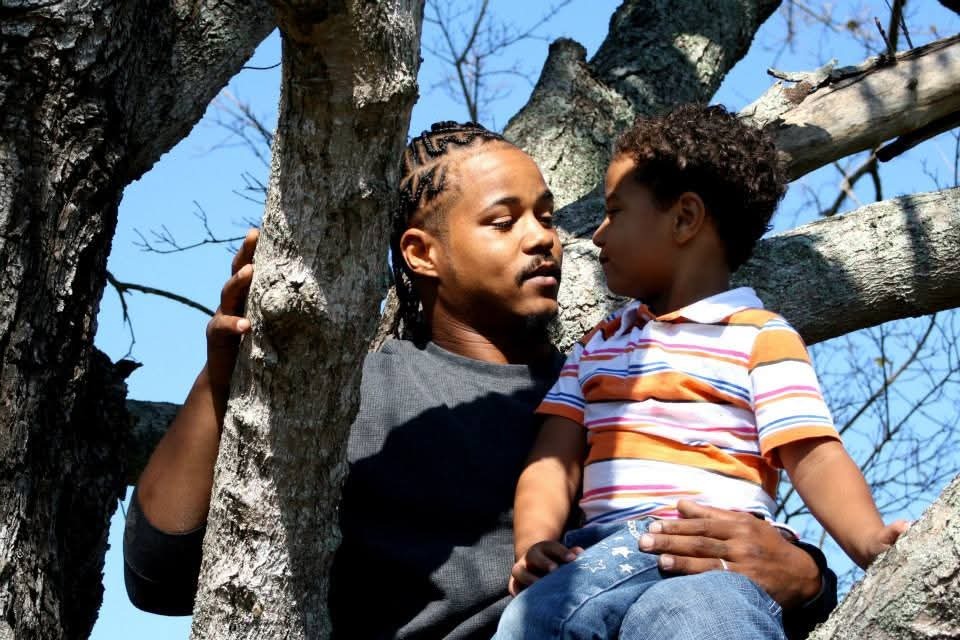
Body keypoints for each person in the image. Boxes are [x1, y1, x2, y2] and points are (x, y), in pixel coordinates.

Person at [124, 121, 838, 639]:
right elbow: (160, 576)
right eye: (504, 221)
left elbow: (726, 540)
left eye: (547, 217)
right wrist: (225, 381)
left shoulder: (616, 383)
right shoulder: (355, 400)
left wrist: (808, 577)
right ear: (422, 253)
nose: (544, 238)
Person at [494, 106, 905, 640]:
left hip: (717, 550)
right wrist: (533, 545)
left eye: (615, 212)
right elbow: (553, 462)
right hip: (601, 553)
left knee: (687, 619)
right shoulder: (598, 345)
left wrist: (870, 542)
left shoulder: (759, 337)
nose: (597, 235)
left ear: (685, 218)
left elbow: (815, 455)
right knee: (541, 613)